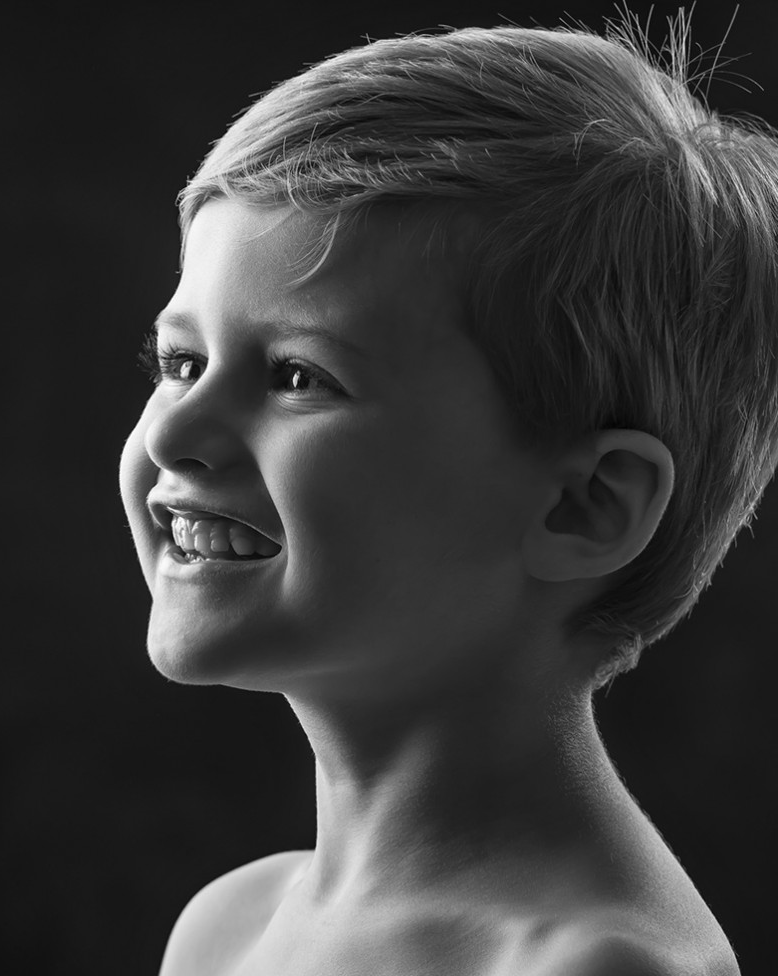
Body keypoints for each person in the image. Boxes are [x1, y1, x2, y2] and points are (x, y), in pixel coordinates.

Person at [119, 13, 777, 975]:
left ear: (584, 506)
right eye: (181, 361)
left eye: (299, 376)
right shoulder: (229, 928)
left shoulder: (598, 969)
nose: (172, 431)